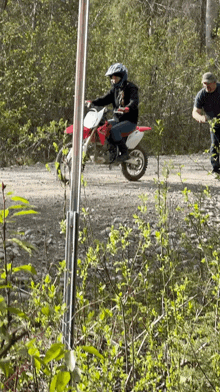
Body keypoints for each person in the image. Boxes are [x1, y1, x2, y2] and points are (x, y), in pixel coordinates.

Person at [86, 63, 139, 162]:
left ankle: (124, 153)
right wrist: (93, 102)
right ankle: (110, 152)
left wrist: (127, 108)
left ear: (122, 76)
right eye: (112, 78)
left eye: (116, 77)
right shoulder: (115, 90)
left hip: (129, 121)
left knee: (114, 130)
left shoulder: (131, 88)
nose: (114, 80)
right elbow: (104, 99)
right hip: (117, 120)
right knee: (103, 128)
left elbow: (134, 101)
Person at [192, 72, 220, 174]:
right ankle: (216, 170)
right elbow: (195, 112)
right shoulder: (202, 94)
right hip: (213, 123)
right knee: (214, 145)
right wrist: (200, 117)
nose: (206, 86)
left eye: (208, 84)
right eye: (204, 84)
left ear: (214, 82)